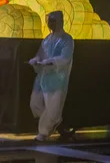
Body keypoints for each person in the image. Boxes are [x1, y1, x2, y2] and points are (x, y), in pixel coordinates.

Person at [29, 11, 74, 141]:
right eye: (49, 21)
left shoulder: (67, 39)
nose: (50, 24)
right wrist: (36, 60)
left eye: (53, 21)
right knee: (35, 104)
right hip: (42, 78)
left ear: (60, 22)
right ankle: (55, 119)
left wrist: (51, 62)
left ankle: (43, 132)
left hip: (57, 79)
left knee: (52, 107)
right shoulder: (47, 39)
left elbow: (65, 58)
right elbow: (40, 54)